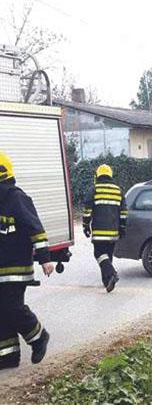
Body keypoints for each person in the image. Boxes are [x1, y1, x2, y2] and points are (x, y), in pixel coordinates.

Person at [0, 151, 53, 370]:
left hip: (16, 268)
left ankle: (38, 336)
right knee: (1, 311)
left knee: (12, 307)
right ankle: (8, 355)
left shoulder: (16, 198)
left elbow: (35, 229)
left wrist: (45, 258)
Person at [83, 164, 127, 293]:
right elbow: (124, 211)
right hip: (114, 231)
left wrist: (86, 225)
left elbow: (87, 210)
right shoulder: (118, 190)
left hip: (99, 231)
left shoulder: (94, 189)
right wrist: (122, 227)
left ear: (98, 175)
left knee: (98, 254)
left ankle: (112, 274)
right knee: (107, 256)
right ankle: (107, 282)